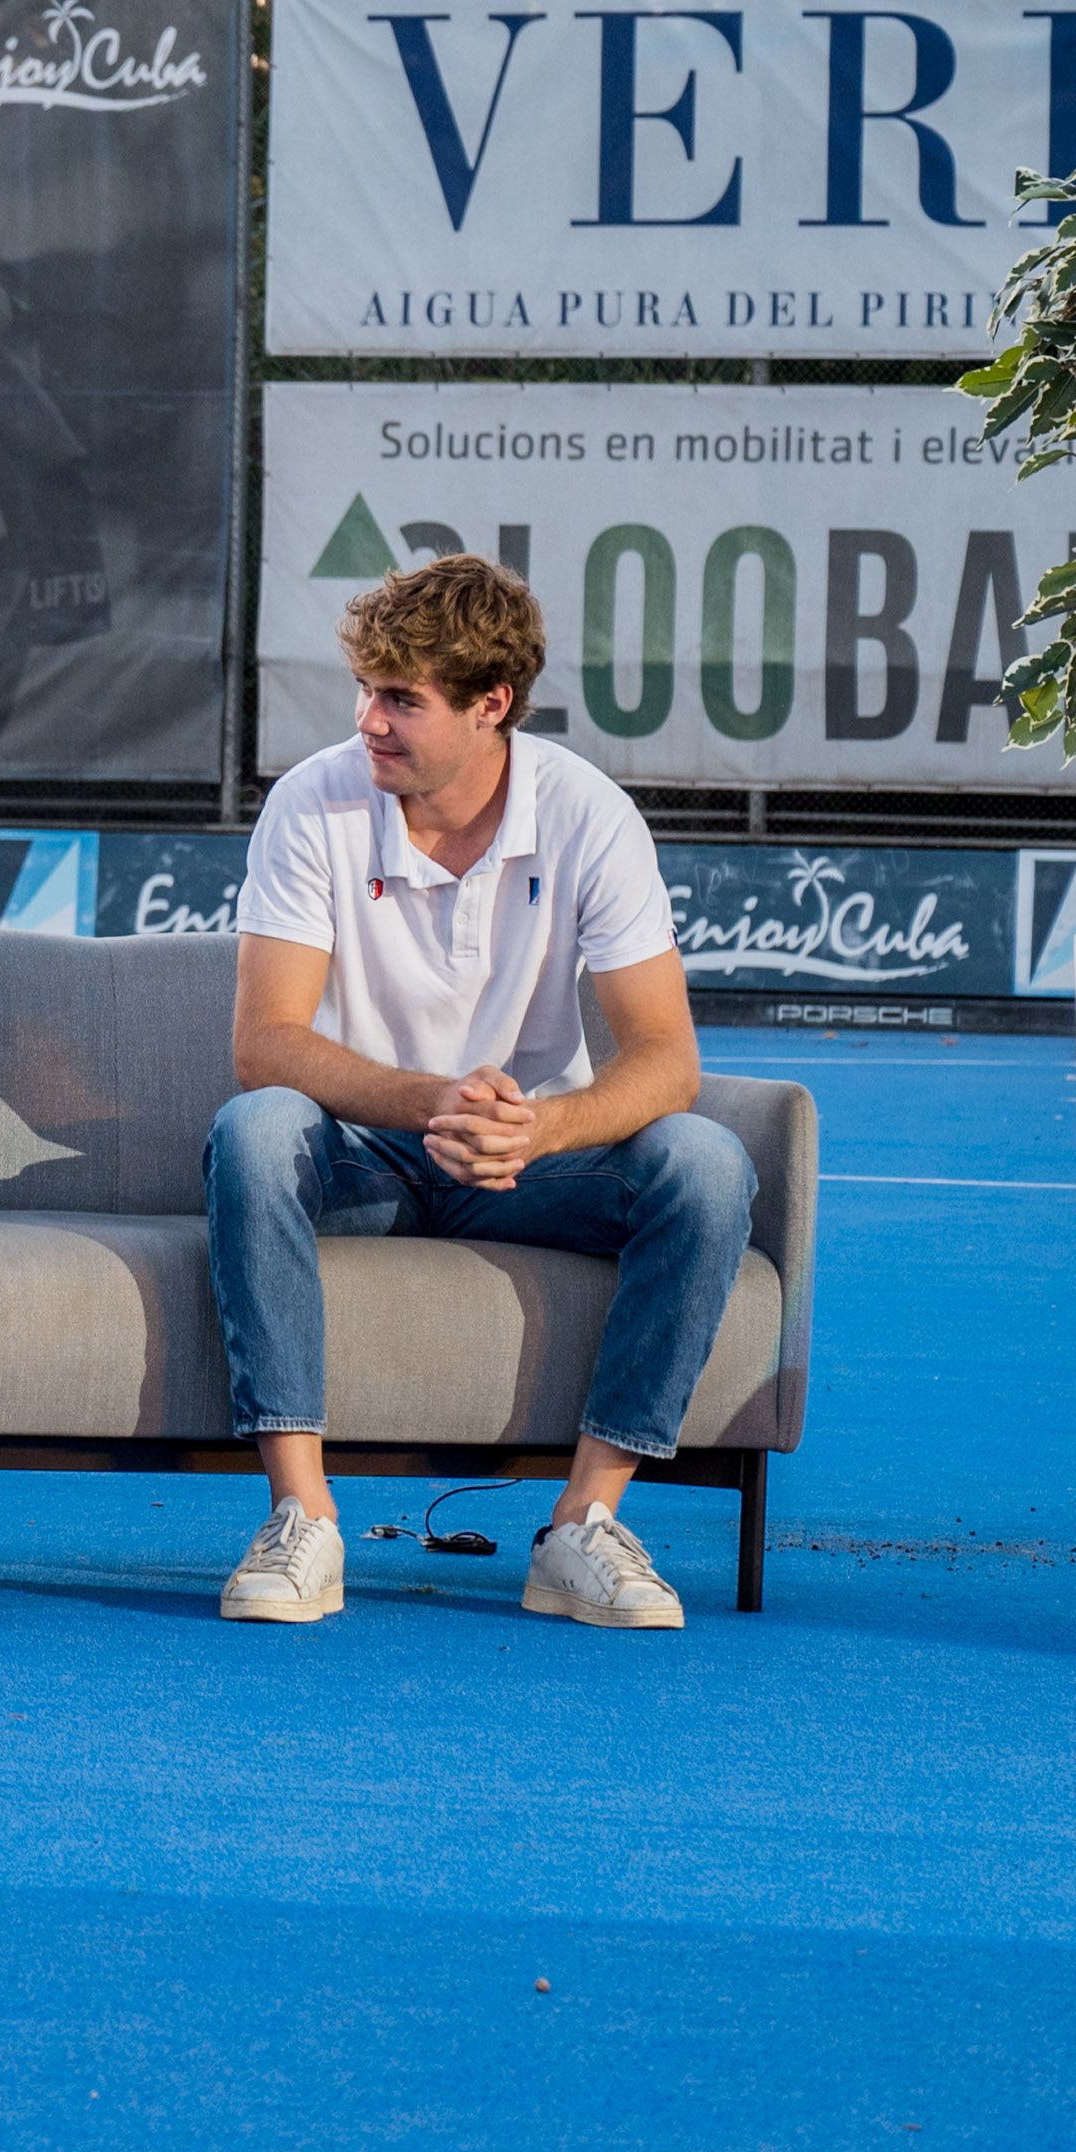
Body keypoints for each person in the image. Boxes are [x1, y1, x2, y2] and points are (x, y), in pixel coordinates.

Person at [207, 550, 757, 1630]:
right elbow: (264, 1043)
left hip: (528, 1162)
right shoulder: (313, 803)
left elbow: (664, 1057)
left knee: (707, 1160)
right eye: (366, 690)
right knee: (257, 1129)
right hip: (361, 1152)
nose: (368, 719)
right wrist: (431, 1104)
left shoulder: (586, 812)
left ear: (490, 703)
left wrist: (540, 1127)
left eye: (400, 699)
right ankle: (303, 1520)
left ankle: (583, 1525)